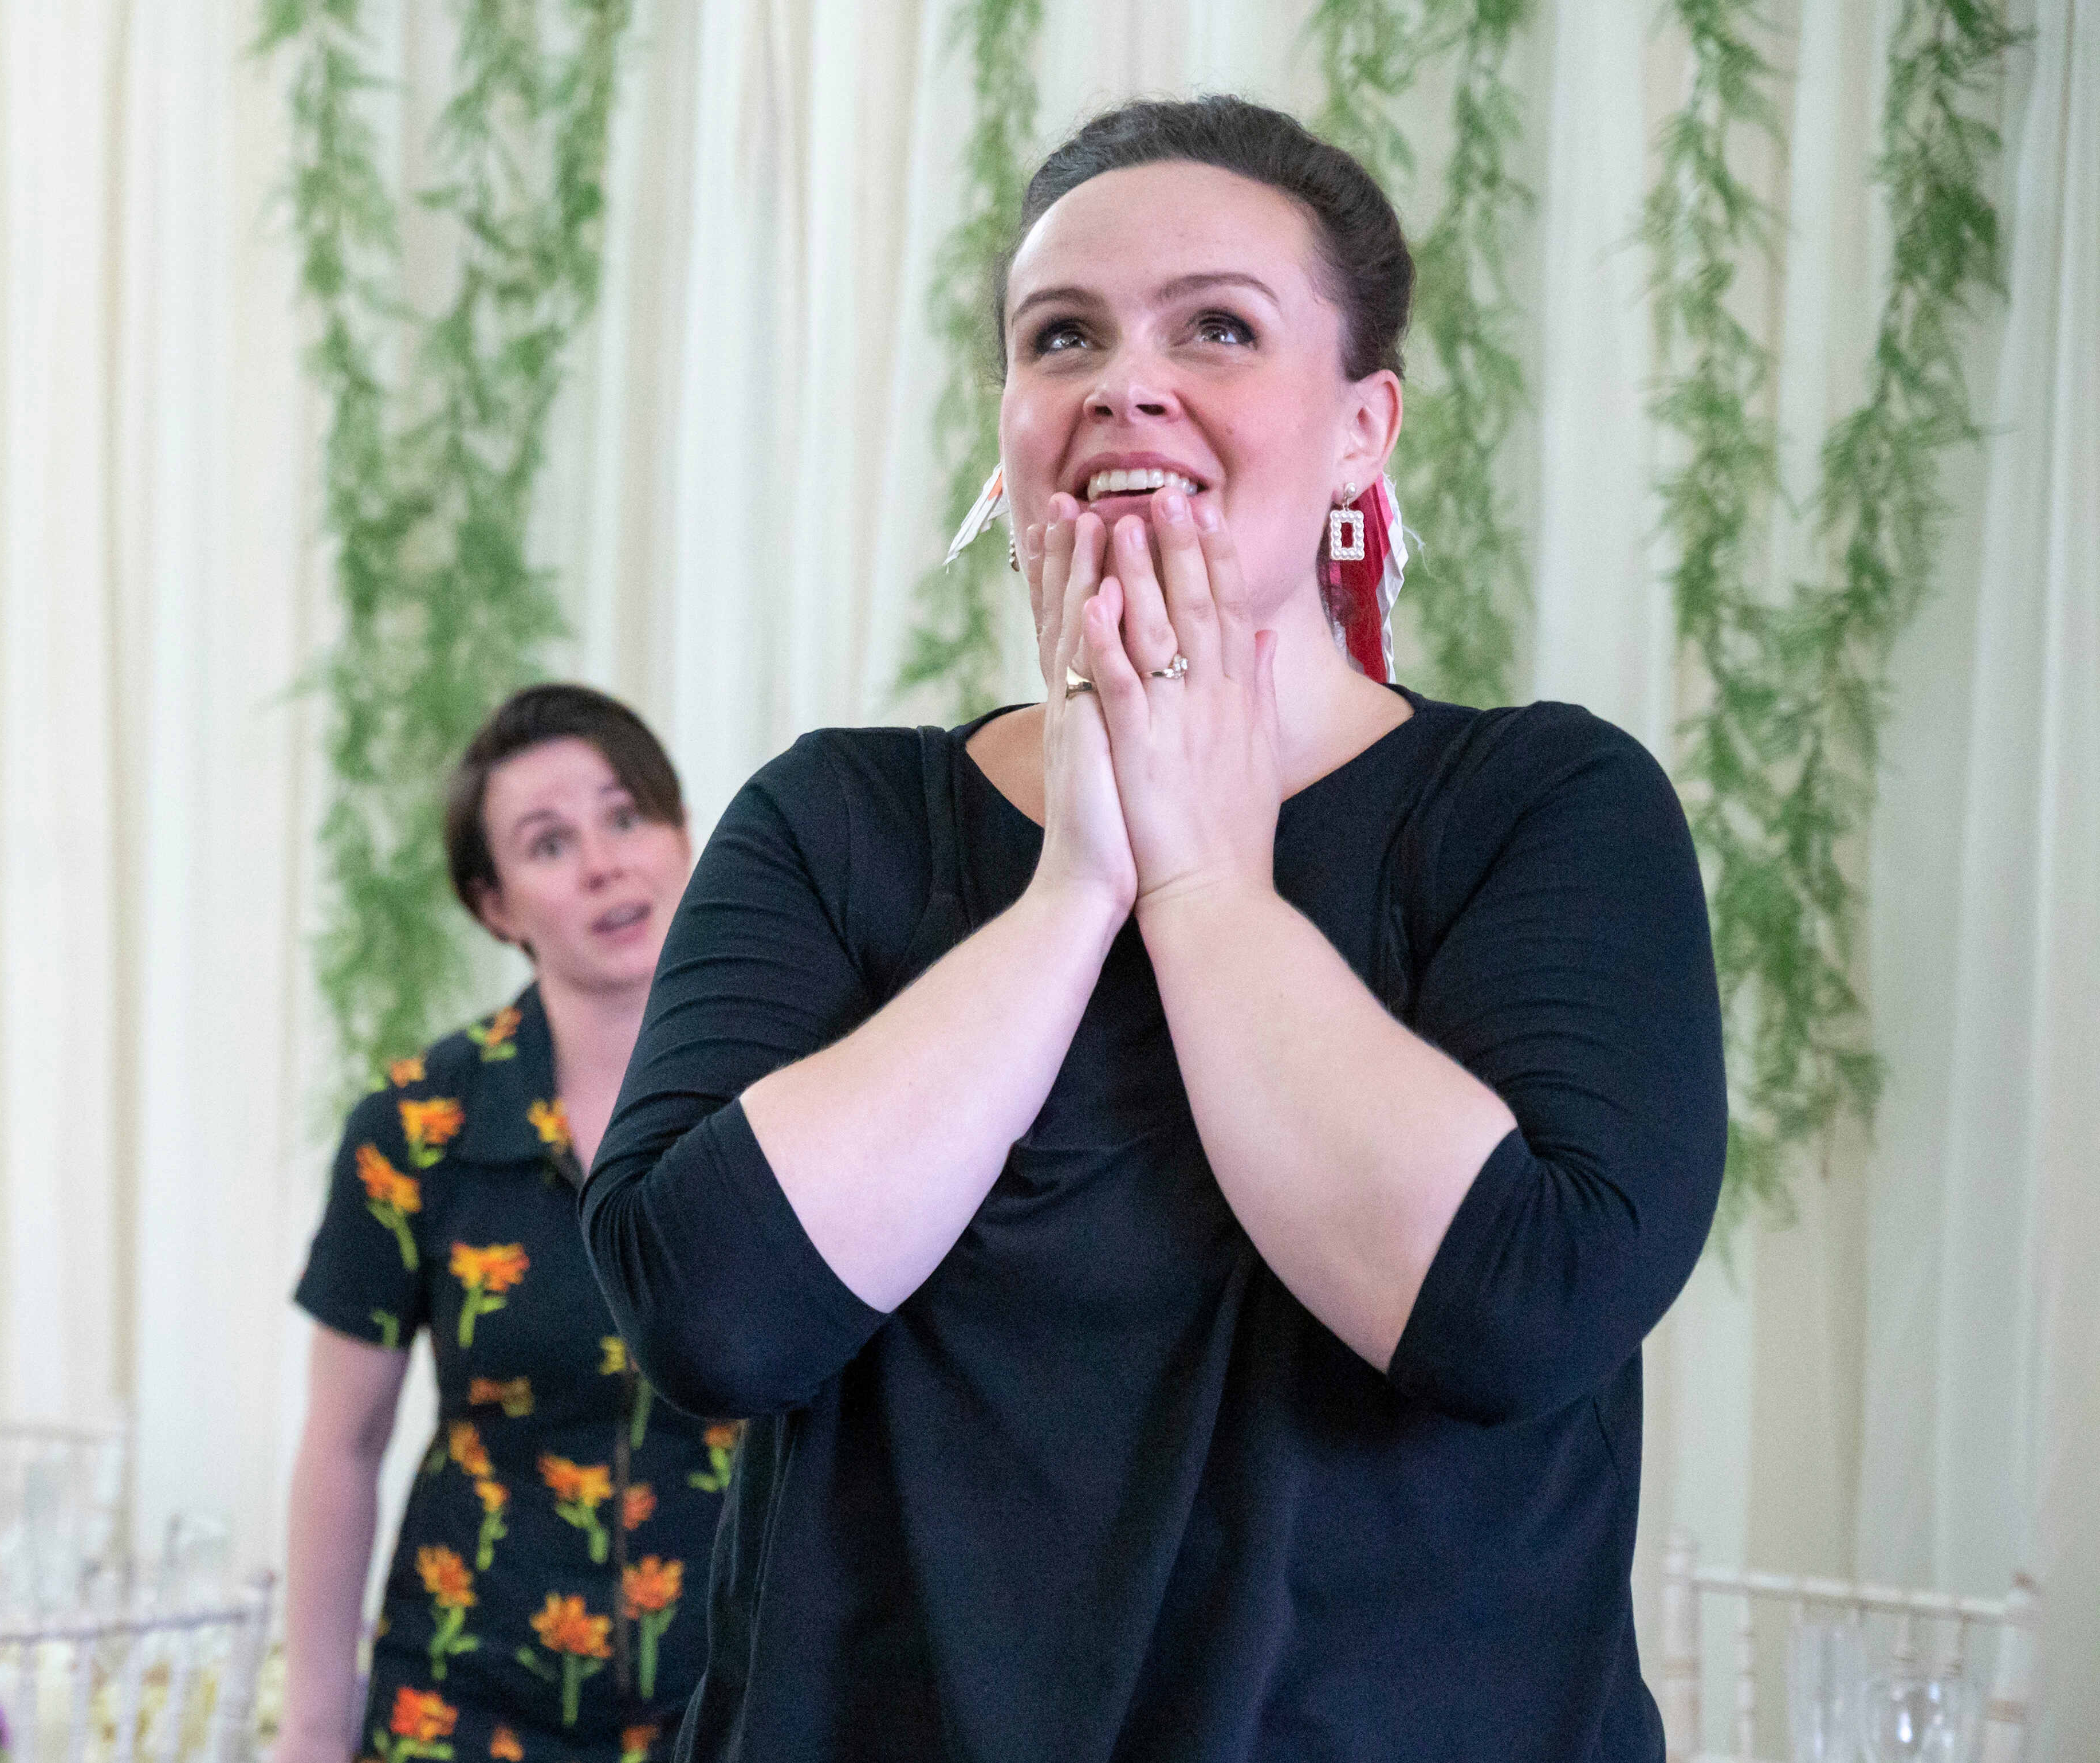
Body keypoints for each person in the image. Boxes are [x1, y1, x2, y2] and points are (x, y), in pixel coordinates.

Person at [583, 95, 1724, 1762]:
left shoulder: (1544, 806)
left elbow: (1520, 1301)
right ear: (1012, 424)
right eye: (1064, 335)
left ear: (1361, 430)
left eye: (1218, 326)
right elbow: (711, 1312)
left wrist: (1205, 886)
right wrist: (1076, 891)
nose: (1128, 379)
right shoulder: (832, 822)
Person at [278, 685, 732, 1763]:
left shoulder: (800, 1092)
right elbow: (343, 1448)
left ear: (682, 836)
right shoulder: (415, 1126)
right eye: (549, 843)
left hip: (740, 1707)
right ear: (495, 905)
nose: (604, 864)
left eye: (627, 818)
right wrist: (309, 1729)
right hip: (466, 1704)